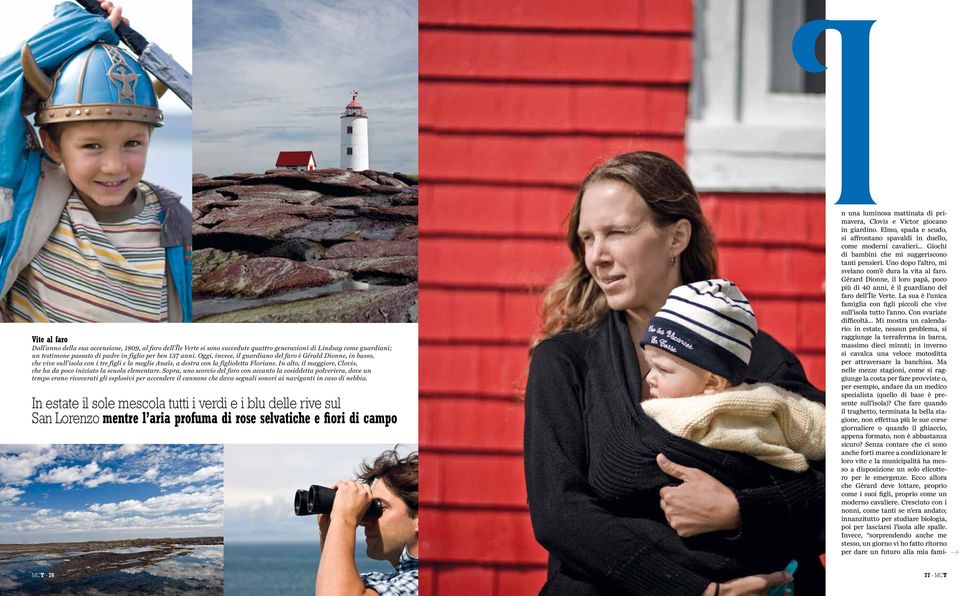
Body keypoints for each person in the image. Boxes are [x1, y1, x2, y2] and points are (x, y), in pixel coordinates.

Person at [525, 151, 825, 595]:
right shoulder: (568, 362)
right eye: (587, 238)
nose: (597, 257)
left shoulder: (758, 361)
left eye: (617, 233)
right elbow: (561, 512)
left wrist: (740, 508)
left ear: (677, 237)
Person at [0, 1, 191, 322]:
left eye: (132, 143)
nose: (114, 166)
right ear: (53, 144)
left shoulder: (177, 224)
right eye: (91, 145)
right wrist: (74, 31)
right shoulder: (26, 202)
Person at [640, 279, 825, 473]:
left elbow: (780, 462)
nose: (650, 378)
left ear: (712, 382)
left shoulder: (732, 420)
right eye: (651, 366)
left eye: (663, 370)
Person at [315, 449, 418, 596]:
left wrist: (344, 520)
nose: (365, 521)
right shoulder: (385, 582)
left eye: (378, 508)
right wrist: (330, 532)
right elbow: (331, 587)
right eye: (367, 508)